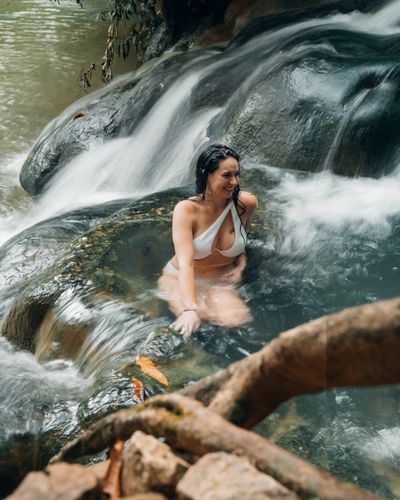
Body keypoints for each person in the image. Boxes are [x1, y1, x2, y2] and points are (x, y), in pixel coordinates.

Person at [158, 144, 257, 336]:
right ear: (207, 175)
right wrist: (189, 309)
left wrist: (240, 266)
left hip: (219, 280)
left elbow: (242, 241)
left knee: (237, 321)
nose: (234, 182)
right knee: (195, 323)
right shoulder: (186, 210)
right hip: (178, 278)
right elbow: (186, 264)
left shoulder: (246, 203)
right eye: (227, 175)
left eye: (237, 174)